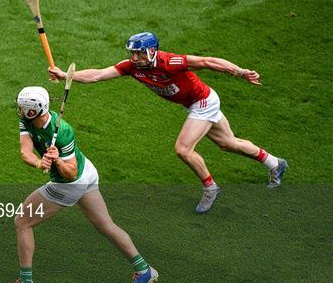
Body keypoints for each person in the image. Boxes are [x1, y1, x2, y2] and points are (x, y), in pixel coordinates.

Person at [49, 32, 288, 213]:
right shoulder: (132, 67)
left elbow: (206, 62)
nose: (134, 57)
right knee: (228, 143)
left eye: (139, 53)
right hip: (195, 104)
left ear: (152, 51)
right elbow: (99, 74)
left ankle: (210, 188)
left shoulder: (169, 62)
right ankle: (275, 163)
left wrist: (239, 72)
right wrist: (67, 75)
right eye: (132, 53)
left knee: (183, 149)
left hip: (203, 102)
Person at [0, 86, 158, 283]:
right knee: (105, 225)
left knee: (22, 222)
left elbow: (70, 174)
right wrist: (39, 162)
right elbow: (25, 152)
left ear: (32, 110)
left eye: (22, 107)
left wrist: (57, 161)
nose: (19, 109)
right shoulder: (27, 120)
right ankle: (144, 270)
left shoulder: (62, 131)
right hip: (87, 173)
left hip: (71, 182)